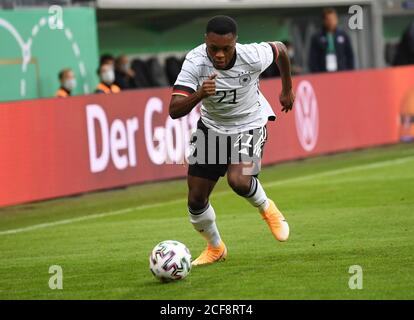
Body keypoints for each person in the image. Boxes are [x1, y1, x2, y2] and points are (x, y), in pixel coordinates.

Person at [169, 16, 295, 266]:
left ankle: (266, 208)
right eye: (213, 48)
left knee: (239, 180)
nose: (218, 54)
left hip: (250, 124)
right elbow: (174, 109)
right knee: (195, 199)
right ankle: (215, 248)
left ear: (235, 43)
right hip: (212, 129)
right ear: (206, 40)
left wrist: (287, 89)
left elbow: (280, 50)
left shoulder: (253, 55)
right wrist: (200, 94)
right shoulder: (195, 61)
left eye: (225, 48)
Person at [309, 8, 355, 73]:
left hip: (341, 72)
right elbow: (313, 59)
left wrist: (350, 72)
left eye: (333, 19)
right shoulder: (316, 37)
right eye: (328, 19)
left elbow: (350, 56)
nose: (331, 22)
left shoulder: (343, 35)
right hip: (323, 73)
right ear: (324, 20)